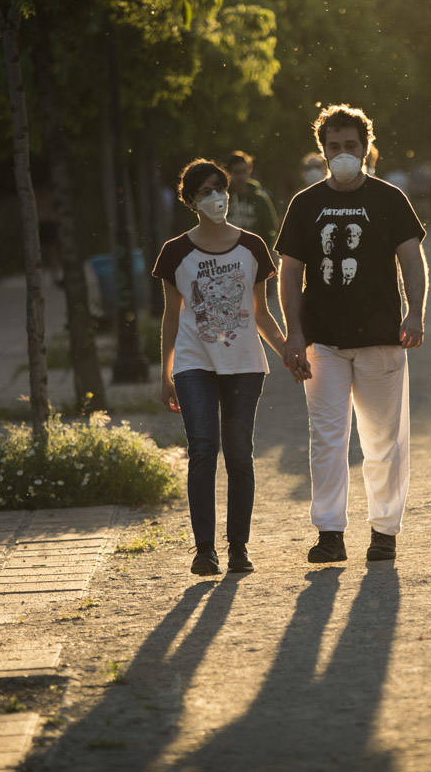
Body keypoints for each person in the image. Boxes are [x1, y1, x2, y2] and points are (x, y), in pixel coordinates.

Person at [277, 104, 428, 563]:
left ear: (365, 149)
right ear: (322, 150)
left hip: (383, 337)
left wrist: (416, 313)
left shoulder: (390, 199)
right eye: (334, 146)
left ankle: (384, 531)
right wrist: (294, 334)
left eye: (350, 146)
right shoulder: (305, 204)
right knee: (327, 438)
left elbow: (411, 260)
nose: (342, 153)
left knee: (384, 441)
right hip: (323, 340)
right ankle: (330, 533)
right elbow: (289, 273)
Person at [152, 158, 301, 576]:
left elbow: (261, 313)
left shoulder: (252, 246)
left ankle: (238, 547)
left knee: (239, 455)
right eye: (206, 192)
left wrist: (287, 350)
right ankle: (204, 550)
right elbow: (171, 318)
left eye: (221, 189)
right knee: (203, 450)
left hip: (244, 365)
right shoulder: (175, 252)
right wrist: (165, 374)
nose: (217, 198)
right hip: (193, 364)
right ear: (190, 201)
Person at [226, 150, 279, 248]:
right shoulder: (222, 198)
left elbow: (270, 230)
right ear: (229, 173)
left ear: (249, 170)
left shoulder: (260, 198)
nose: (241, 176)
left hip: (253, 250)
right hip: (227, 250)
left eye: (244, 171)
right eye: (237, 172)